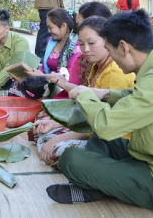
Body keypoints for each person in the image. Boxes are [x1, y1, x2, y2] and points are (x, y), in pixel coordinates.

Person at [46, 9, 153, 212]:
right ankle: (102, 182)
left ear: (123, 47)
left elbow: (106, 125)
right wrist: (105, 94)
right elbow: (139, 97)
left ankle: (98, 184)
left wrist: (84, 95)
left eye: (109, 50)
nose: (111, 57)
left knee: (71, 159)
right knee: (101, 140)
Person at [21, 16, 135, 169]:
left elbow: (100, 126)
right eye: (81, 44)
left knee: (54, 148)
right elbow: (87, 114)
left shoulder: (113, 72)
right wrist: (55, 123)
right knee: (43, 133)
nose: (85, 49)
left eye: (92, 43)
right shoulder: (97, 66)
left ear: (107, 41)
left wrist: (56, 139)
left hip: (114, 141)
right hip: (95, 130)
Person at [27, 8, 81, 78]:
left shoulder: (76, 45)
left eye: (50, 27)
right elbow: (44, 68)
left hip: (65, 86)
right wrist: (34, 72)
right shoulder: (50, 41)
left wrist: (43, 76)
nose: (48, 31)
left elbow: (69, 75)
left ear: (63, 26)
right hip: (48, 83)